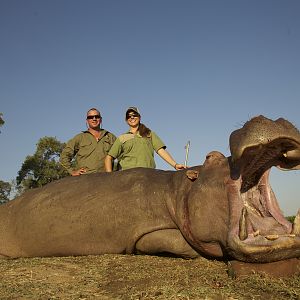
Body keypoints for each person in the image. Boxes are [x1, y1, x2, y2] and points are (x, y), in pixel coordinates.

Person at [105, 107, 185, 172]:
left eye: (134, 115)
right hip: (127, 178)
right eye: (129, 116)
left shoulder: (149, 134)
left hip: (148, 176)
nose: (132, 117)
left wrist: (175, 165)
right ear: (126, 120)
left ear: (139, 117)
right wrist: (110, 177)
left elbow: (160, 150)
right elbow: (109, 158)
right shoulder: (122, 138)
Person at [60, 108, 116, 176]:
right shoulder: (80, 137)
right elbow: (64, 156)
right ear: (87, 120)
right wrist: (72, 171)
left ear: (101, 119)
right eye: (90, 117)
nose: (94, 119)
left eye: (97, 116)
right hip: (85, 179)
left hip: (106, 178)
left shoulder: (110, 137)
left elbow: (122, 156)